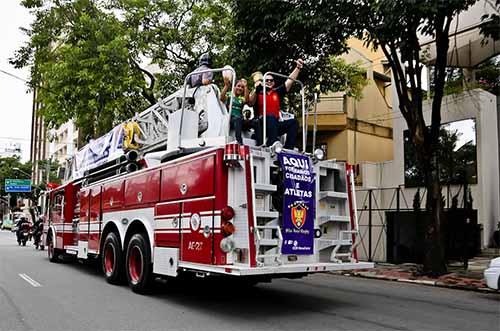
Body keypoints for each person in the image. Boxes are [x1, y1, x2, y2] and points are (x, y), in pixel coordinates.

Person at [248, 59, 304, 149]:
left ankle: (288, 148)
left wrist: (297, 68)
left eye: (271, 80)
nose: (269, 82)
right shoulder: (258, 93)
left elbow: (290, 81)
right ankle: (272, 143)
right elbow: (250, 103)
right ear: (263, 82)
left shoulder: (277, 92)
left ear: (273, 82)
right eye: (267, 80)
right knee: (270, 117)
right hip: (262, 125)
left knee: (294, 122)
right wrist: (256, 89)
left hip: (275, 124)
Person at [220, 78, 249, 144]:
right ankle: (239, 141)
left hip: (240, 120)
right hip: (231, 119)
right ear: (234, 87)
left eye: (242, 87)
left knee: (255, 122)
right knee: (237, 119)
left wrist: (246, 86)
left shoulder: (241, 98)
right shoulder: (229, 95)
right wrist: (226, 86)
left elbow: (247, 100)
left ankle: (260, 143)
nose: (240, 88)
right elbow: (221, 97)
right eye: (238, 86)